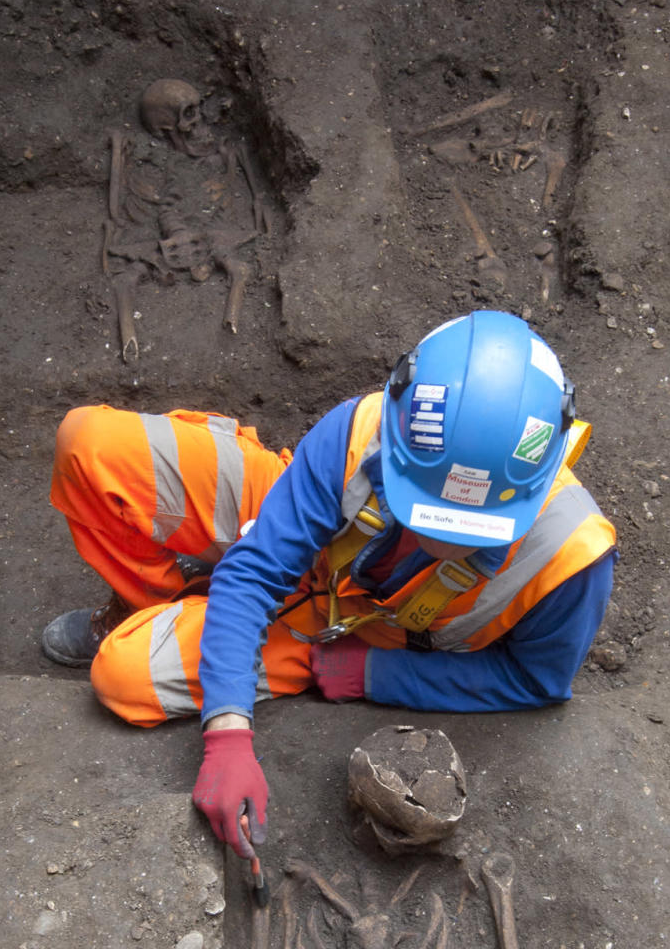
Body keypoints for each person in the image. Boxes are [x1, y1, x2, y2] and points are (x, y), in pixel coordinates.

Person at [43, 310, 616, 861]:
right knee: (89, 443)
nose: (435, 537)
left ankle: (196, 618)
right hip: (299, 538)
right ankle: (162, 603)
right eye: (424, 506)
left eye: (466, 529)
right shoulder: (365, 430)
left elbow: (536, 681)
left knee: (121, 676)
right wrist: (227, 734)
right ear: (400, 433)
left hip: (345, 636)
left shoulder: (571, 558)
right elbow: (258, 569)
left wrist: (375, 674)